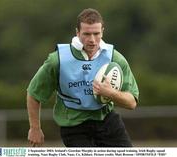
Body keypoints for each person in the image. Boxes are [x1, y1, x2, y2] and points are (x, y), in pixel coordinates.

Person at [27, 8, 139, 147]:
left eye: (96, 33)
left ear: (102, 31)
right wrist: (35, 128)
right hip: (74, 126)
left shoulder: (114, 58)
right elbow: (34, 93)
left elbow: (132, 102)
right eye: (86, 34)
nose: (92, 40)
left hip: (107, 122)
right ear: (77, 32)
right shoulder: (58, 60)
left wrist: (110, 93)